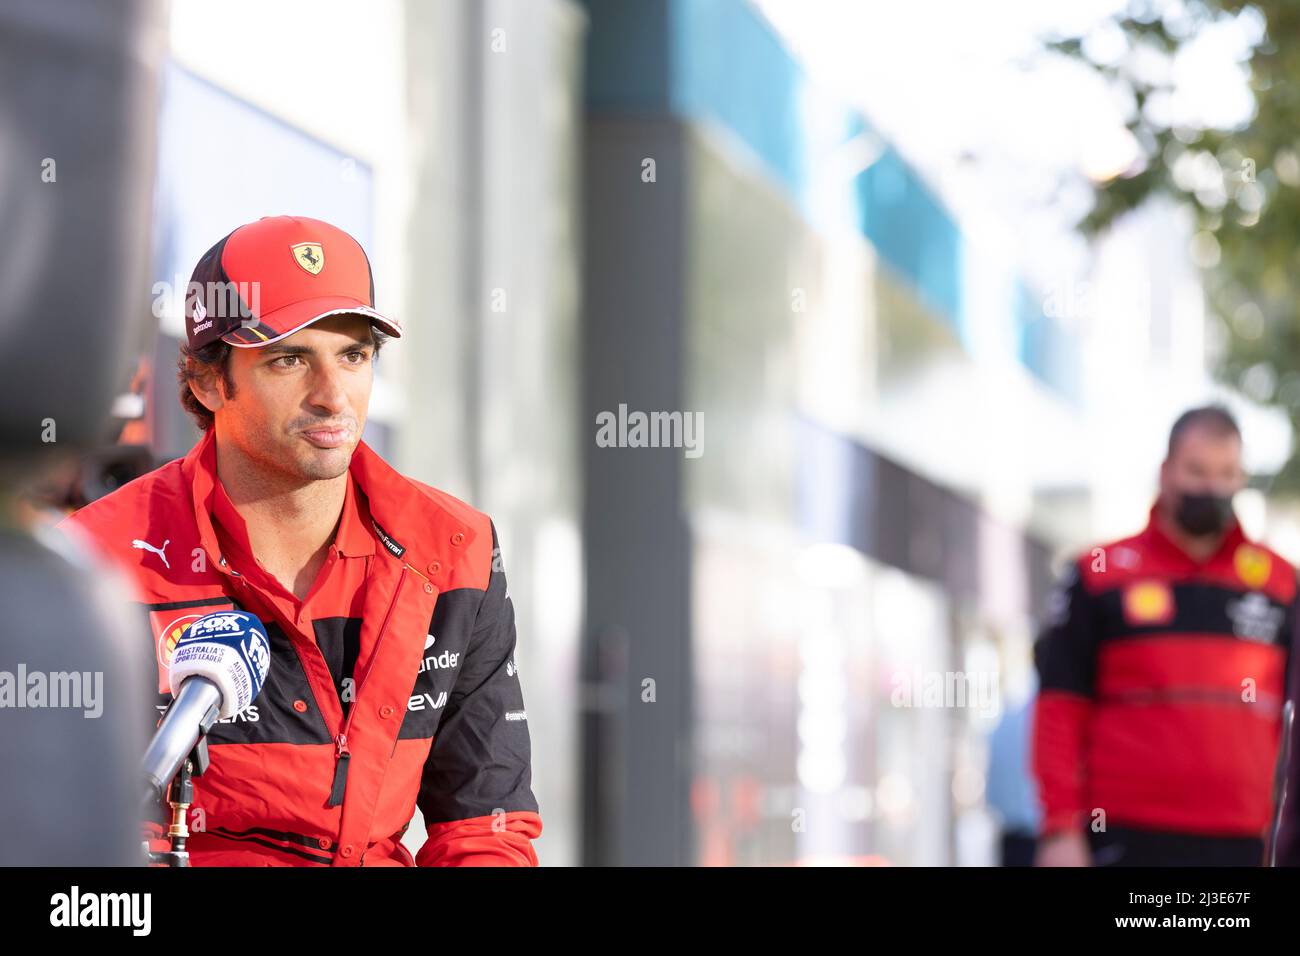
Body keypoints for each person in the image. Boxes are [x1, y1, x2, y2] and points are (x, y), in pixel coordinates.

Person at [58, 215, 542, 866]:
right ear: (206, 380)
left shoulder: (454, 548)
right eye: (289, 358)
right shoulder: (93, 561)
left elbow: (487, 828)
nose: (333, 395)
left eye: (354, 355)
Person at [1032, 405, 1295, 867]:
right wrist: (1060, 831)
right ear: (1166, 471)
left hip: (1244, 844)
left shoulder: (1280, 586)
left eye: (1226, 473)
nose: (1211, 488)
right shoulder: (1099, 576)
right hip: (1121, 840)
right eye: (1196, 471)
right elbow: (1059, 707)